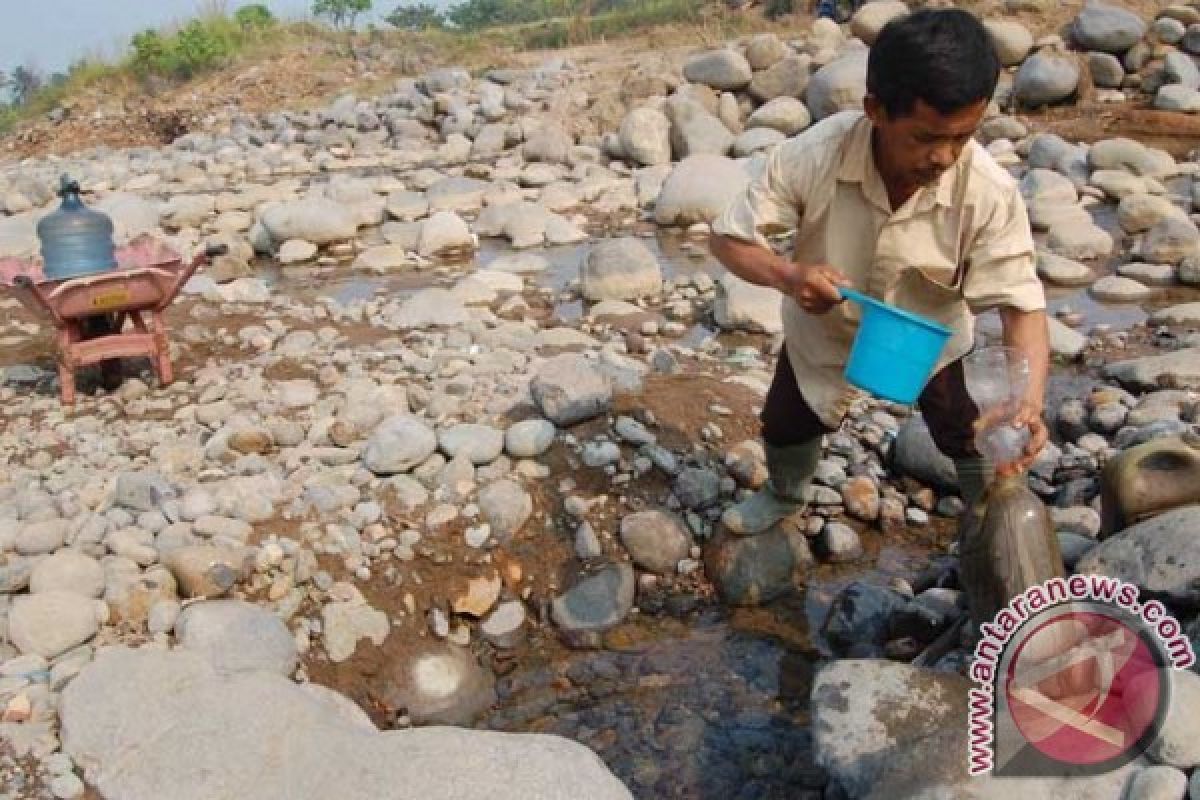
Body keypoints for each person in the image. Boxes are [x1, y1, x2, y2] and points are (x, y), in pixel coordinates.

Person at [709, 8, 1049, 536]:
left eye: (962, 137)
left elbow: (1022, 307)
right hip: (822, 328)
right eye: (925, 137)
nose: (944, 156)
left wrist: (1025, 405)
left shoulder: (987, 190)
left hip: (931, 337)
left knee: (973, 430)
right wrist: (789, 276)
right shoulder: (816, 154)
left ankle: (994, 519)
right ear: (875, 109)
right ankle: (784, 494)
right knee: (787, 421)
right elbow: (728, 238)